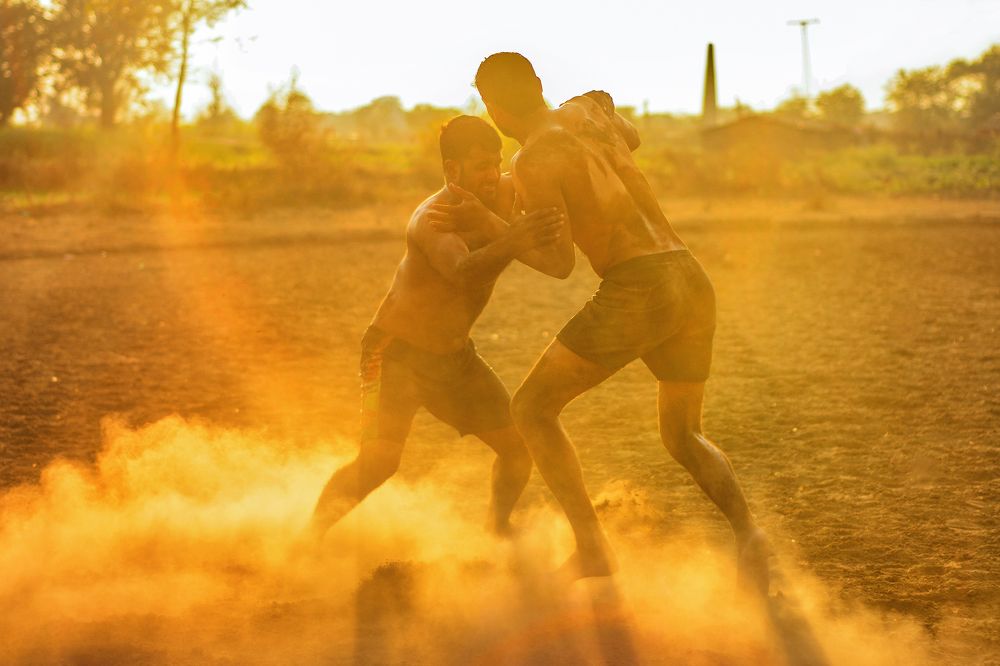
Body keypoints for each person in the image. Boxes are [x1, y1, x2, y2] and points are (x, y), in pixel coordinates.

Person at [435, 53, 771, 591]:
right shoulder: (587, 110)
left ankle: (592, 549)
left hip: (640, 287)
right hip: (689, 275)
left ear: (491, 108)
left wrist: (502, 230)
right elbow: (631, 137)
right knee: (684, 434)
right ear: (540, 84)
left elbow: (560, 263)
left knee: (531, 409)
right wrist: (598, 114)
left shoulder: (531, 162)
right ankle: (749, 534)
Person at [310, 115, 564, 539]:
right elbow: (463, 273)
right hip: (393, 353)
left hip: (455, 359)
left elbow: (542, 167)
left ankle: (497, 530)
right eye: (479, 164)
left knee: (518, 449)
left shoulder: (504, 192)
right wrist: (514, 239)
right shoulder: (433, 218)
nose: (490, 174)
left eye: (494, 162)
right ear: (452, 170)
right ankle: (306, 541)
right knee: (378, 463)